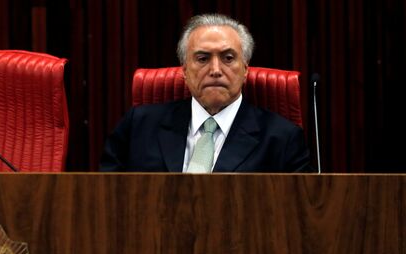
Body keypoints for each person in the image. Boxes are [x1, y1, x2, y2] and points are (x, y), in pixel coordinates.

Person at [100, 13, 311, 172]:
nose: (216, 70)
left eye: (228, 58)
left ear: (245, 69)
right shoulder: (139, 125)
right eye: (202, 59)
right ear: (184, 70)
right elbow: (105, 198)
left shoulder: (282, 139)